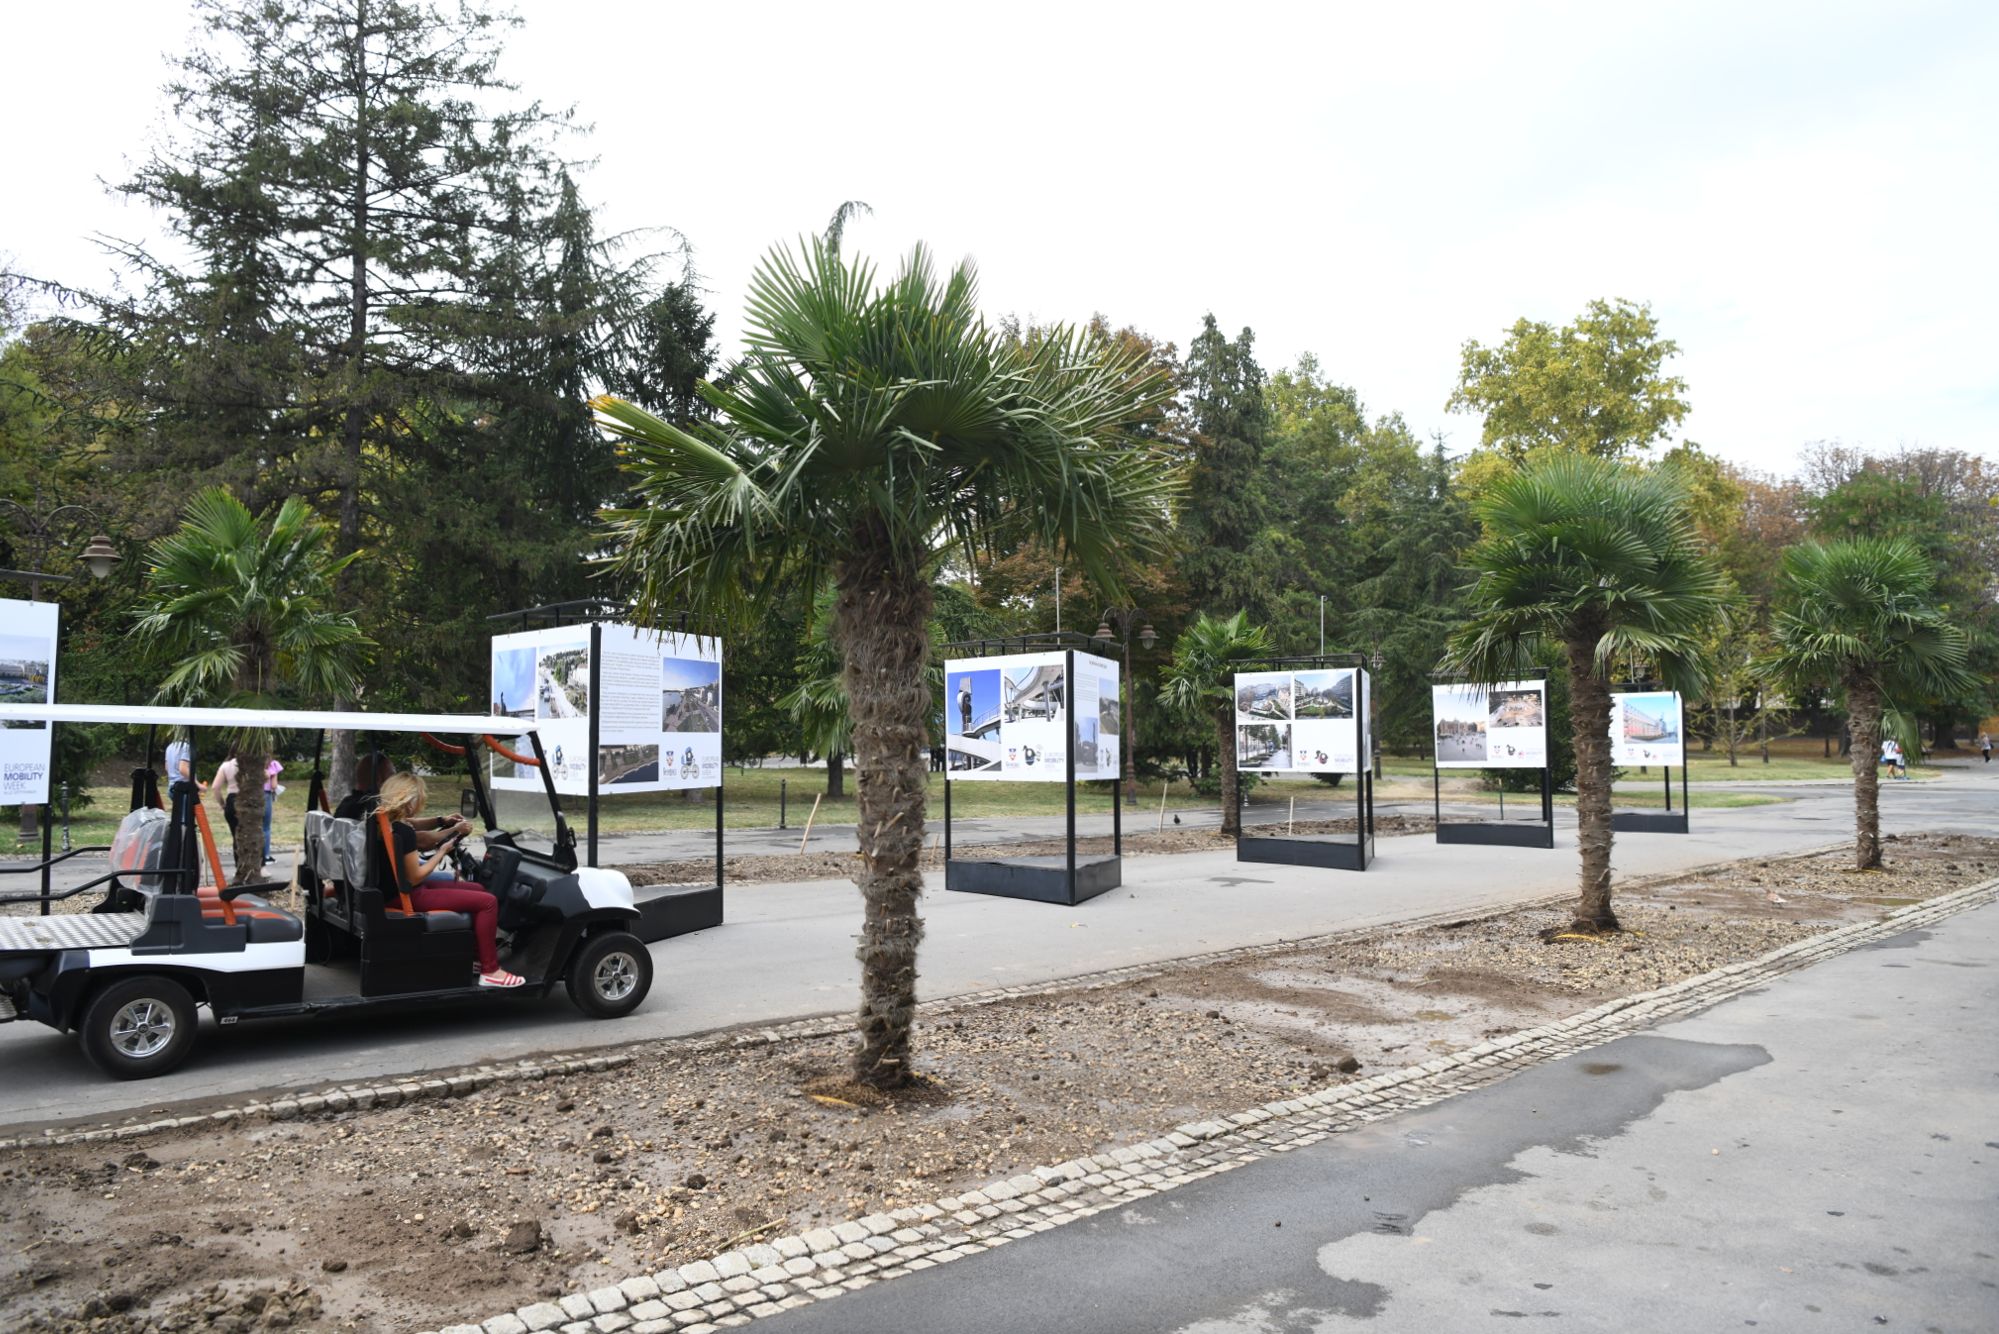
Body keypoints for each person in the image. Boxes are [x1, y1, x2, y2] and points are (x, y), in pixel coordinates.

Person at [370, 774, 521, 988]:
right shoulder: (403, 831)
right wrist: (442, 851)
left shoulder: (381, 819)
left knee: (477, 888)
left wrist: (442, 821)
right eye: (420, 799)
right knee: (488, 902)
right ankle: (490, 970)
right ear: (411, 800)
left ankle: (477, 959)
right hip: (406, 895)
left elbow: (413, 825)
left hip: (390, 890)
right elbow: (416, 876)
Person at [209, 755, 240, 836]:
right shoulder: (254, 763)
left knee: (236, 836)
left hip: (232, 800)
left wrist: (222, 804)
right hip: (249, 799)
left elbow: (215, 787)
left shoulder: (226, 765)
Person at [261, 757, 284, 864]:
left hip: (252, 794)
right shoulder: (272, 764)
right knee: (266, 827)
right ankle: (266, 855)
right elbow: (273, 785)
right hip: (266, 795)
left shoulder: (251, 763)